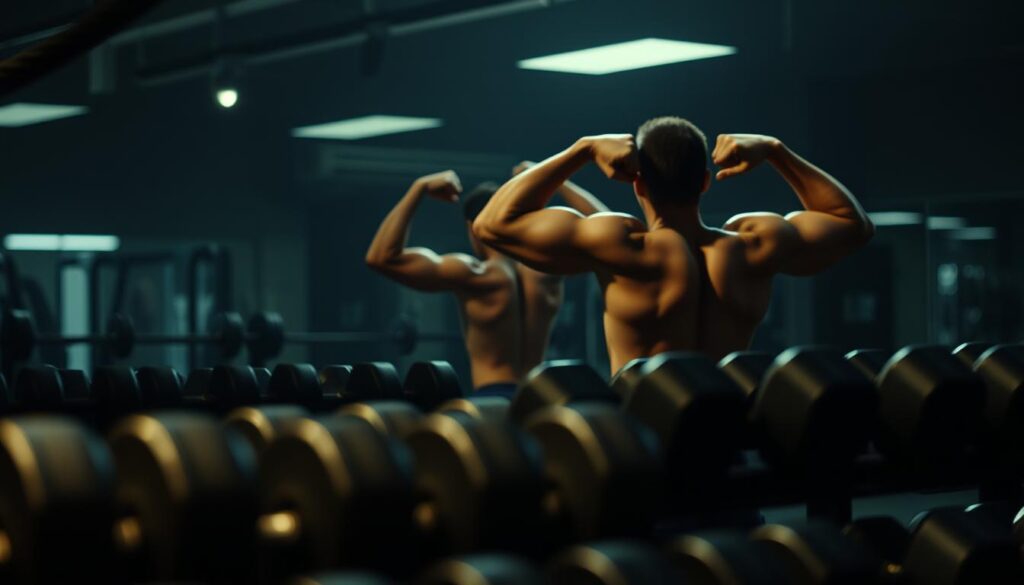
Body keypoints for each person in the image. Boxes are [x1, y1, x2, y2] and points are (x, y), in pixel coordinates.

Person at [472, 117, 874, 374]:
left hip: (643, 441)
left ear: (638, 183)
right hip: (724, 435)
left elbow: (493, 224)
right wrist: (774, 150)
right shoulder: (751, 247)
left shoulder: (623, 247)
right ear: (704, 181)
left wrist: (584, 148)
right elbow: (851, 224)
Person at [365, 169, 607, 395]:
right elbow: (610, 231)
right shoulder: (546, 271)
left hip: (493, 397)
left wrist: (418, 188)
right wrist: (555, 178)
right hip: (537, 396)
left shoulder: (475, 274)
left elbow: (381, 257)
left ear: (473, 228)